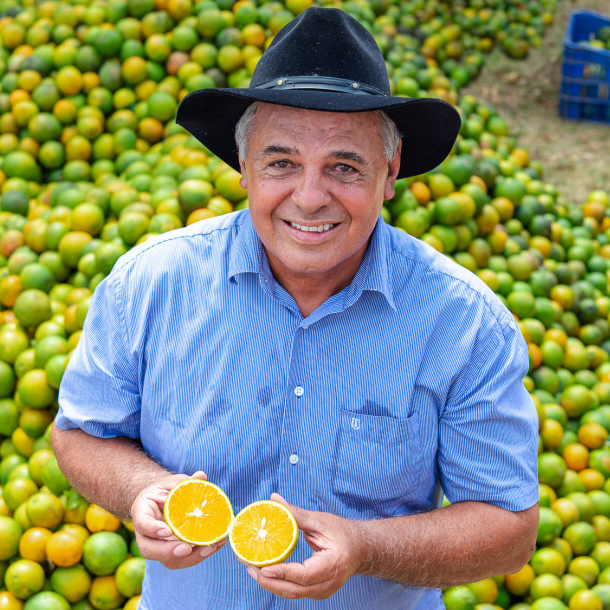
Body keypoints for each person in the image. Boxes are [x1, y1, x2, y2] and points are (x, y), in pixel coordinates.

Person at [52, 7, 538, 609]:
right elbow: (79, 433)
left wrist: (367, 548)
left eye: (345, 166)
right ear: (244, 167)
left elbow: (509, 529)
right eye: (281, 162)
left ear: (390, 173)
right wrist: (143, 489)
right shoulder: (150, 282)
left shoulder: (463, 324)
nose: (310, 198)